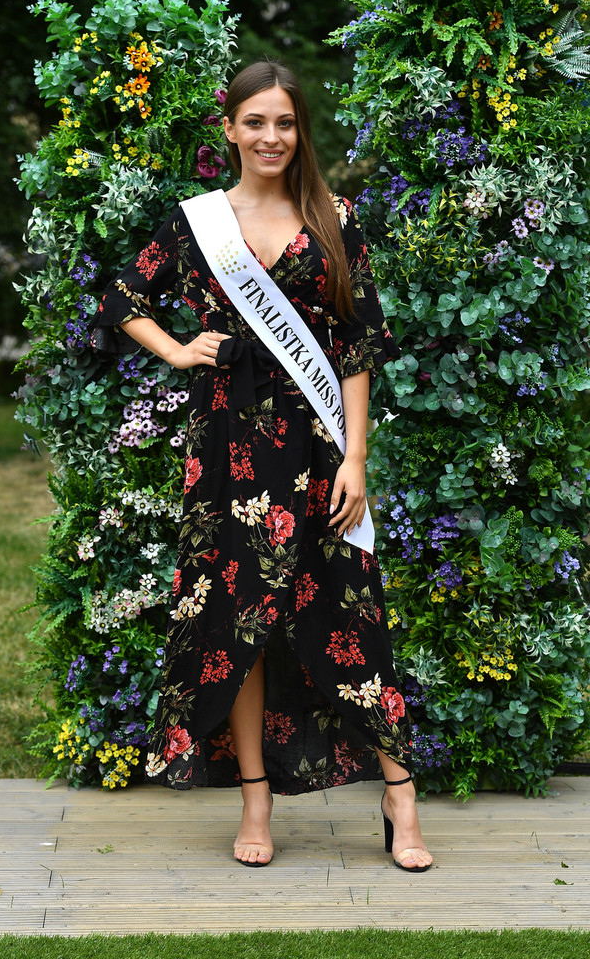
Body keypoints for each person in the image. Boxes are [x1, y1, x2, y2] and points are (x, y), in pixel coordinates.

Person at [90, 60, 433, 872]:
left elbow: (354, 347)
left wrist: (356, 456)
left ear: (298, 129)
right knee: (235, 625)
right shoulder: (195, 223)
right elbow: (120, 298)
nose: (271, 137)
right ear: (230, 131)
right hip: (227, 451)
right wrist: (178, 350)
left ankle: (401, 792)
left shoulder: (335, 217)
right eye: (256, 123)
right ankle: (254, 799)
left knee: (351, 615)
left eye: (284, 122)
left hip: (319, 452)